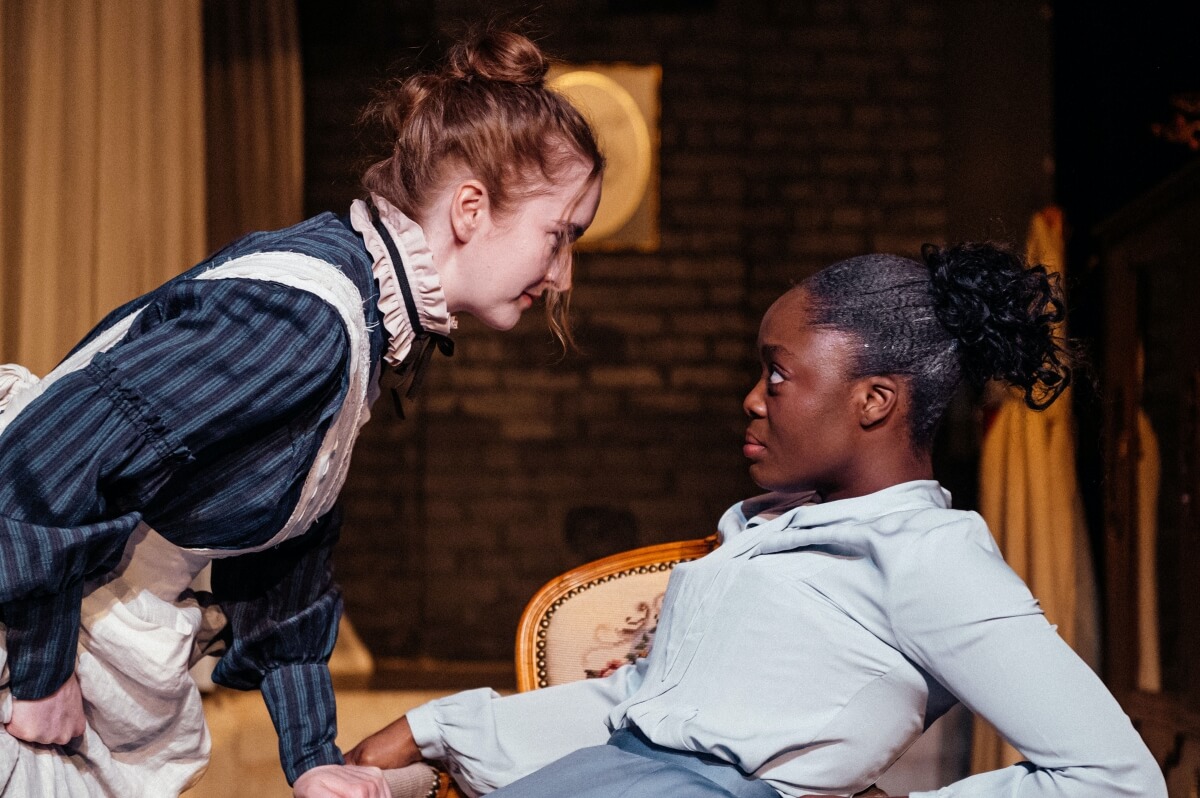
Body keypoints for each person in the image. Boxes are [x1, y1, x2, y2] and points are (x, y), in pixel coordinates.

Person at [0, 26, 602, 798]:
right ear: (471, 208)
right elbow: (43, 460)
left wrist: (315, 757)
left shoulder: (354, 324)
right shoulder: (306, 318)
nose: (563, 277)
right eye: (559, 237)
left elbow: (284, 565)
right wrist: (45, 671)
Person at [346, 242, 1166, 798]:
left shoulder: (930, 556)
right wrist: (425, 729)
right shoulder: (770, 530)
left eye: (776, 375)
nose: (751, 398)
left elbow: (1112, 776)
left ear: (874, 401)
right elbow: (644, 709)